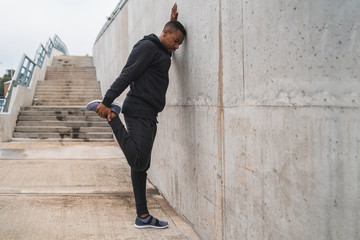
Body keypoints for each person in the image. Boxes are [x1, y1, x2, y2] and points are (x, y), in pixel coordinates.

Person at [87, 3, 186, 229]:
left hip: (149, 113)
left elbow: (168, 44)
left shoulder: (162, 49)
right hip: (138, 109)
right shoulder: (147, 47)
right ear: (165, 33)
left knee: (142, 165)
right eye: (176, 41)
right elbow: (127, 73)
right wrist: (107, 101)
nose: (177, 47)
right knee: (139, 160)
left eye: (180, 43)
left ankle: (142, 216)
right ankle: (113, 117)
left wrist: (172, 22)